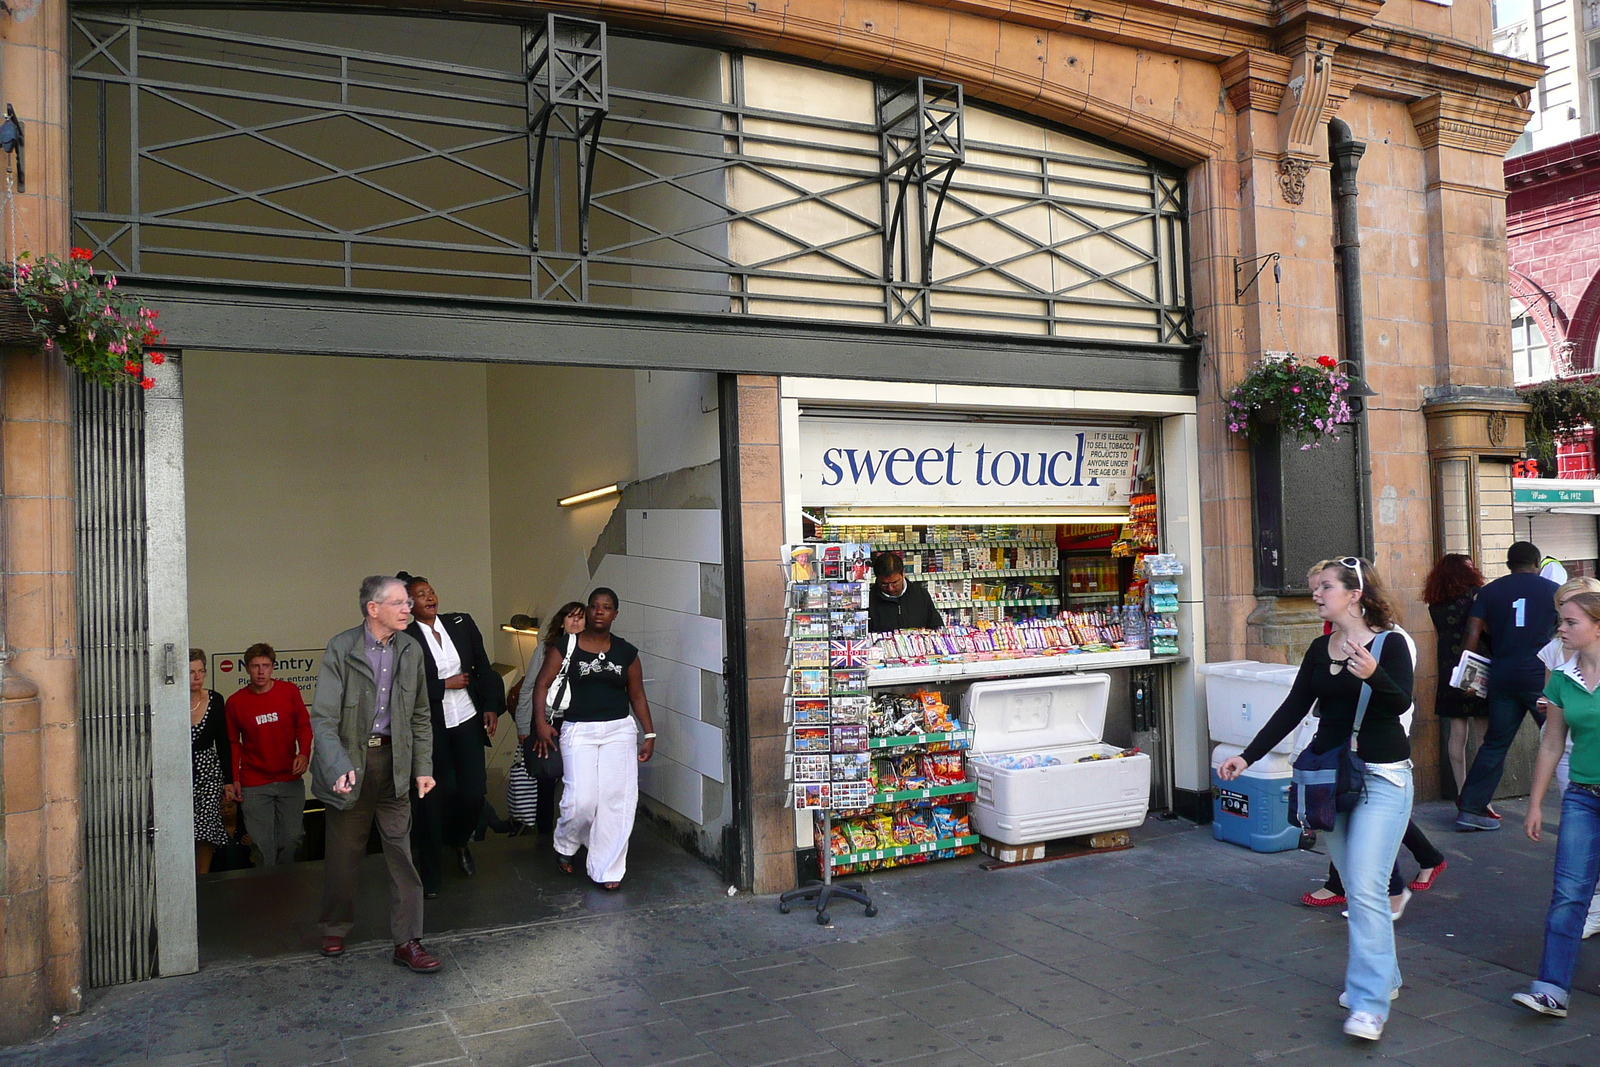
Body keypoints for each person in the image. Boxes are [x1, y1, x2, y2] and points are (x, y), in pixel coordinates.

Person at [1220, 557, 1414, 1042]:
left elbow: (1401, 704)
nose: (1316, 594)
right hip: (1333, 778)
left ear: (1355, 593)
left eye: (1325, 586)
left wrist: (1372, 674)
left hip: (1383, 777)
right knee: (1355, 883)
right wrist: (1247, 756)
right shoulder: (1317, 647)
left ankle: (1369, 1002)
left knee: (1367, 887)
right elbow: (1292, 708)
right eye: (1314, 587)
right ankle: (1383, 977)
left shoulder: (1390, 644)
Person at [309, 575, 439, 972]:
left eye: (407, 603)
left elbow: (419, 714)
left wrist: (423, 768)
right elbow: (324, 719)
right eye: (399, 603)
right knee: (343, 855)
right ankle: (334, 925)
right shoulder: (341, 648)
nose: (408, 608)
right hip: (350, 766)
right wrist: (338, 765)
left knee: (401, 853)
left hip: (394, 765)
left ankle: (408, 941)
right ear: (373, 609)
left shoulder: (411, 650)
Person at [529, 588, 656, 889]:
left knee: (617, 800)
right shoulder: (565, 645)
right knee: (581, 799)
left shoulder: (626, 652)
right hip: (578, 730)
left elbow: (637, 695)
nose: (599, 611)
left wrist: (648, 733)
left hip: (618, 731)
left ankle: (607, 869)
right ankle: (565, 841)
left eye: (607, 607)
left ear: (615, 614)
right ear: (587, 611)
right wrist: (539, 723)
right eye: (594, 606)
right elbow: (542, 684)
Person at [1512, 590, 1600, 1018]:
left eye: (1570, 623)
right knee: (1569, 894)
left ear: (1598, 626)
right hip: (1584, 797)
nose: (1561, 630)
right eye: (1560, 622)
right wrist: (1535, 805)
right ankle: (1551, 989)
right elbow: (1551, 744)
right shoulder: (1563, 677)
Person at [401, 573, 505, 897]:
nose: (429, 597)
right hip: (429, 729)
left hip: (466, 719)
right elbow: (401, 689)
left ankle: (460, 842)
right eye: (421, 594)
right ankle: (430, 876)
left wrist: (490, 705)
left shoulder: (461, 623)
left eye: (431, 591)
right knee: (431, 803)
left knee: (474, 793)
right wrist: (443, 685)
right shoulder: (403, 638)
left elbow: (483, 668)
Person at [1456, 541, 1561, 831]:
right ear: (1537, 564)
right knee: (1562, 739)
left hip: (1501, 676)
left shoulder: (1489, 592)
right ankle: (1585, 808)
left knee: (1495, 743)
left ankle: (1470, 810)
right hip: (1540, 678)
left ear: (1508, 564)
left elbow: (1472, 631)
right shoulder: (1553, 592)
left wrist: (1464, 674)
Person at [1536, 577, 1600, 940]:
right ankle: (1590, 906)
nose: (1563, 625)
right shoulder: (1556, 652)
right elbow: (1552, 704)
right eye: (1562, 614)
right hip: (1572, 761)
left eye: (1573, 617)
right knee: (1578, 854)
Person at [224, 644, 312, 867]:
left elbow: (303, 727)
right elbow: (233, 743)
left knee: (292, 838)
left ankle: (287, 885)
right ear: (247, 669)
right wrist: (234, 778)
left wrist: (303, 754)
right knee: (262, 845)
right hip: (254, 782)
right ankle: (266, 890)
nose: (261, 671)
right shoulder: (235, 702)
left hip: (289, 778)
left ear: (273, 667)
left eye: (265, 666)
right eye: (255, 666)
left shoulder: (289, 691)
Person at [511, 601, 587, 834]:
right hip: (549, 720)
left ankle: (574, 831)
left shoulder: (592, 651)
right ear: (561, 621)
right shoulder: (546, 649)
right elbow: (529, 688)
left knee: (578, 779)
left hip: (579, 721)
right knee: (546, 777)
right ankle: (544, 833)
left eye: (580, 617)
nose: (575, 621)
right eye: (570, 617)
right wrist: (524, 727)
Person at [1424, 553, 1490, 803]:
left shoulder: (1435, 601)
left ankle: (1461, 791)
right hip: (1477, 663)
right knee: (1484, 733)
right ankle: (1481, 795)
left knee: (1457, 732)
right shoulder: (1475, 595)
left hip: (1449, 666)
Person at [189, 648, 231, 874]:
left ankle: (202, 877)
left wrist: (228, 780)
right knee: (184, 827)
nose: (196, 677)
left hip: (208, 771)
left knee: (205, 826)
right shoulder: (169, 702)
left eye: (201, 671)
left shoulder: (215, 699)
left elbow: (223, 741)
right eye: (191, 672)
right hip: (180, 772)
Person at [867, 551, 943, 632]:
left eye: (895, 582)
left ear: (903, 573)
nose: (890, 588)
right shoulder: (869, 600)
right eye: (884, 584)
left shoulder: (920, 594)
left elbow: (936, 627)